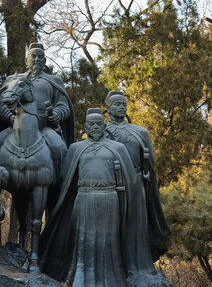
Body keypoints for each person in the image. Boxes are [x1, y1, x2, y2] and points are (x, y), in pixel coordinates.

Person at [39, 108, 155, 286]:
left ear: (104, 125)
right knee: (83, 241)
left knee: (108, 241)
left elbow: (130, 178)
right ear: (85, 126)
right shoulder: (76, 148)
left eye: (99, 124)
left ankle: (113, 280)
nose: (95, 127)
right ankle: (77, 278)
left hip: (109, 200)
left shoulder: (118, 148)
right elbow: (66, 178)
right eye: (91, 124)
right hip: (84, 199)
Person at [0, 43, 74, 210]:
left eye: (40, 56)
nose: (36, 59)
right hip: (16, 127)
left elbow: (63, 105)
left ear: (44, 60)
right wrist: (10, 117)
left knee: (59, 147)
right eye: (33, 56)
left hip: (44, 128)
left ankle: (60, 182)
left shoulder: (53, 81)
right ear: (26, 59)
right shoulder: (13, 79)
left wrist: (57, 114)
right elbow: (0, 104)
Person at [105, 90, 170, 261]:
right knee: (112, 223)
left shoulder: (140, 132)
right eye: (117, 104)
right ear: (108, 108)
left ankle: (138, 262)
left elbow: (151, 161)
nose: (121, 107)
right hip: (110, 183)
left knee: (136, 224)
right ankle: (112, 263)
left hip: (135, 181)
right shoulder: (102, 131)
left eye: (123, 104)